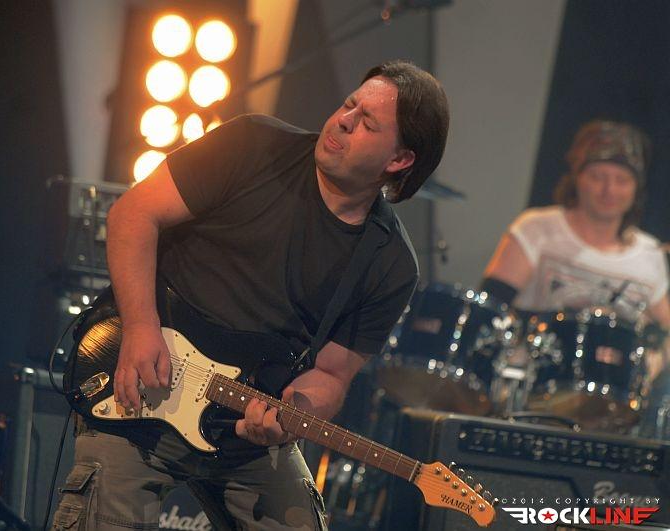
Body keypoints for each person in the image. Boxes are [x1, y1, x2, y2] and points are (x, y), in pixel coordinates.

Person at [51, 60, 449, 530]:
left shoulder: (390, 262)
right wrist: (140, 328)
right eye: (349, 105)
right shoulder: (254, 143)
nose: (344, 120)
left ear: (399, 160)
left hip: (242, 429)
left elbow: (330, 375)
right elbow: (132, 215)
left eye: (367, 123)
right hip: (140, 384)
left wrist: (289, 416)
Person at [482, 120, 670, 391]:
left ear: (636, 189)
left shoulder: (649, 253)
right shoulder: (537, 229)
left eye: (622, 180)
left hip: (612, 397)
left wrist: (653, 364)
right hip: (532, 388)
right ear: (577, 178)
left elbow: (666, 331)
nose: (609, 190)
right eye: (598, 177)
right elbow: (490, 309)